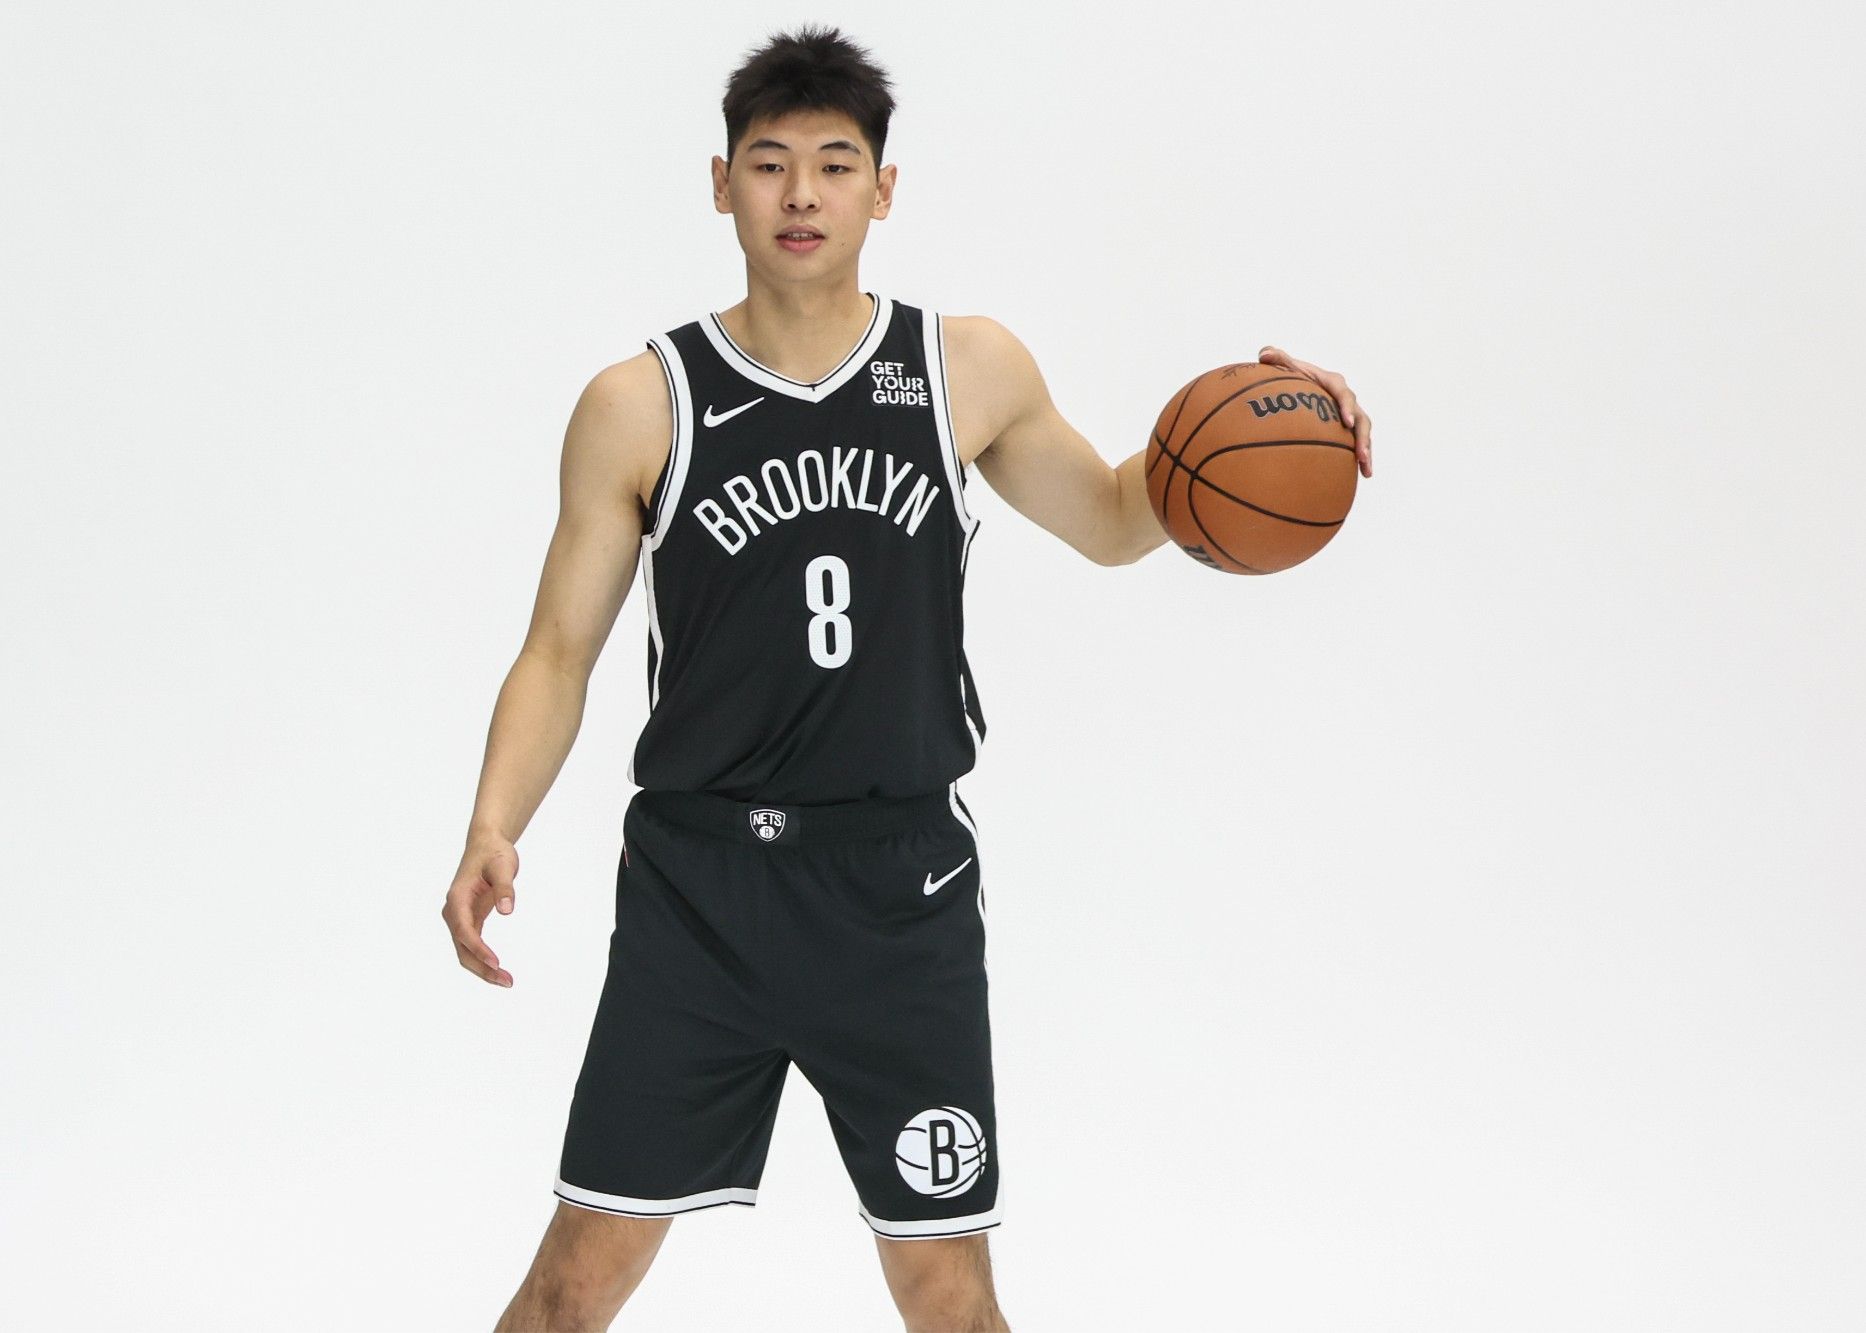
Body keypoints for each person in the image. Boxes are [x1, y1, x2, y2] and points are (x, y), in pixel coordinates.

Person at [441, 24, 1374, 1333]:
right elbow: (558, 649)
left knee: (949, 1295)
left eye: (835, 164)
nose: (802, 193)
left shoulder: (963, 368)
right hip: (700, 886)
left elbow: (1117, 518)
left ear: (883, 189)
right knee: (571, 1285)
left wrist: (1281, 417)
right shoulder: (640, 401)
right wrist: (495, 822)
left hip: (899, 890)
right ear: (721, 184)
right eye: (770, 164)